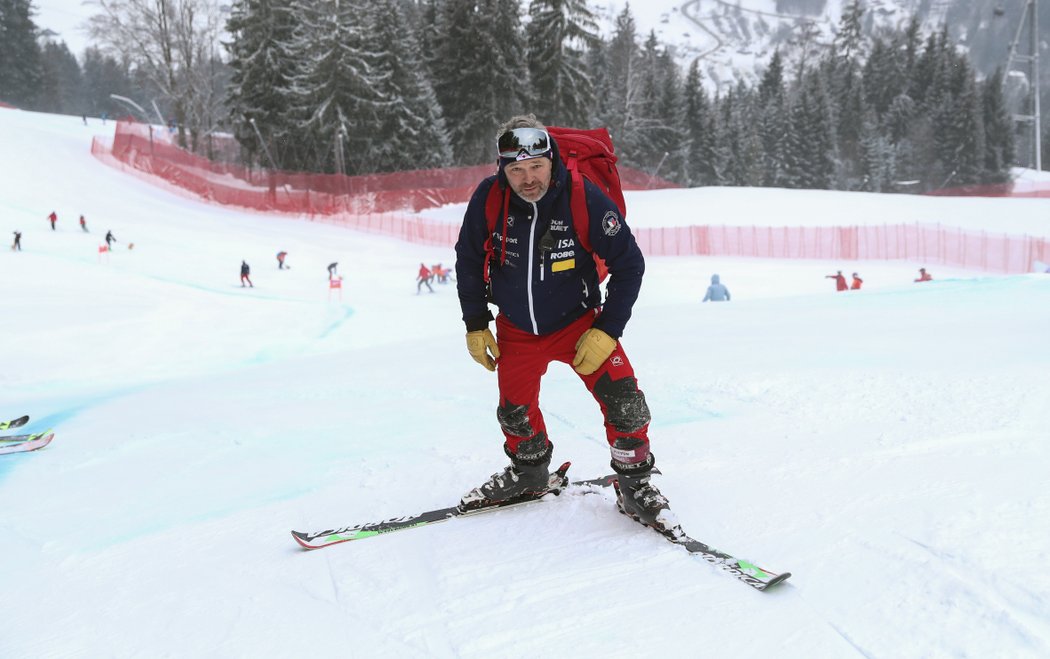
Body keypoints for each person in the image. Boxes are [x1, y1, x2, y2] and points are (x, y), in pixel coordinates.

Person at [454, 114, 676, 532]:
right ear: (502, 168)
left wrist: (607, 329)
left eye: (536, 166)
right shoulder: (489, 198)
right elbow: (468, 259)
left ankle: (635, 484)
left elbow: (629, 264)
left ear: (551, 159)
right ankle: (529, 473)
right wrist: (476, 323)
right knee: (515, 412)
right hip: (516, 330)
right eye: (516, 170)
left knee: (625, 403)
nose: (527, 178)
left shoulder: (581, 196)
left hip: (580, 326)